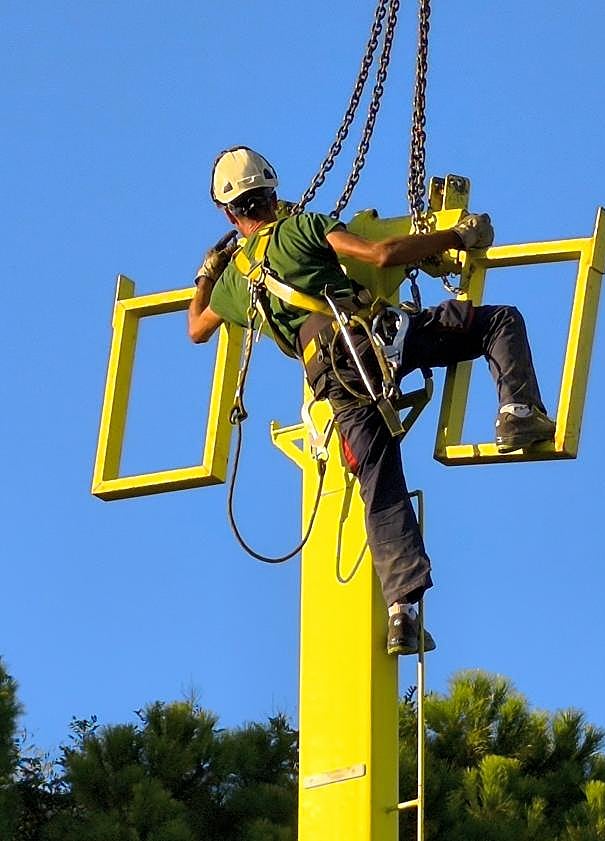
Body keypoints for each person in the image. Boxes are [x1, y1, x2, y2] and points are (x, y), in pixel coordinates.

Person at [188, 146, 555, 656]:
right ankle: (518, 414)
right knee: (496, 320)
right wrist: (457, 236)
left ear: (229, 213)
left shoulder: (235, 281)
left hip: (332, 382)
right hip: (369, 341)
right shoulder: (303, 228)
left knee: (380, 486)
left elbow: (196, 327)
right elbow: (380, 256)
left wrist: (209, 270)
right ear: (273, 193)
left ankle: (401, 615)